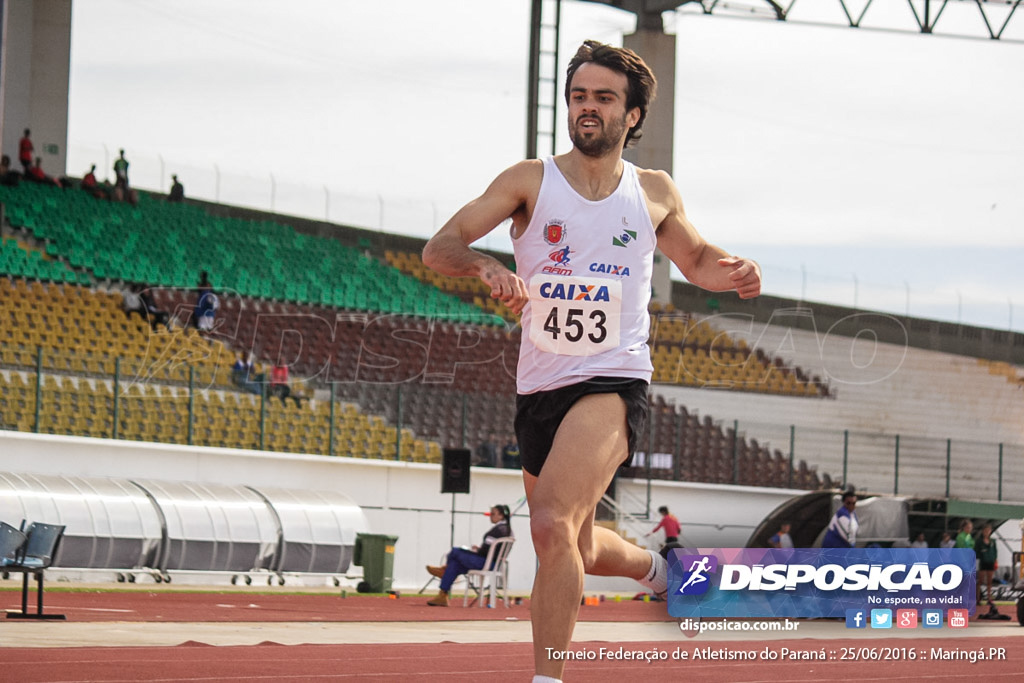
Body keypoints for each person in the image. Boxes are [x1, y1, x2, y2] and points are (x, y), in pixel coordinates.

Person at [421, 40, 761, 681]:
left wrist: (737, 270)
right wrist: (485, 263)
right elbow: (440, 247)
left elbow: (698, 260)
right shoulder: (529, 181)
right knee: (570, 542)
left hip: (613, 378)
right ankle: (661, 570)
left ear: (632, 115)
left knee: (549, 527)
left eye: (604, 98)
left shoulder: (653, 191)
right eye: (579, 96)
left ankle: (546, 677)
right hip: (539, 385)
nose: (587, 108)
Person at [425, 504, 512, 607]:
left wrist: (476, 551)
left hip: (485, 562)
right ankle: (442, 595)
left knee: (455, 551)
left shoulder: (499, 530)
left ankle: (443, 571)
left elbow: (486, 551)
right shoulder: (506, 530)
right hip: (491, 562)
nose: (490, 516)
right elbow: (491, 550)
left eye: (493, 514)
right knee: (454, 565)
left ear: (501, 516)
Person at [975, 523, 997, 605]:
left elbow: (995, 552)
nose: (987, 532)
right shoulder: (979, 541)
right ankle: (978, 598)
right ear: (983, 531)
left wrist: (994, 560)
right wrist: (982, 554)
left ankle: (989, 598)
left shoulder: (993, 541)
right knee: (980, 581)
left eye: (988, 530)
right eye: (985, 530)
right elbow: (976, 551)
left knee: (989, 581)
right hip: (983, 562)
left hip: (990, 562)